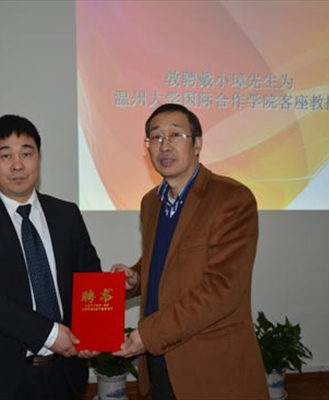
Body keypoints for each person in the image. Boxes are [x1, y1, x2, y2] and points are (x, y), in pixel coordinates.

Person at [111, 103, 269, 400]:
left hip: (210, 365)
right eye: (156, 137)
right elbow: (167, 260)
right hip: (160, 362)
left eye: (176, 135)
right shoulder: (151, 202)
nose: (165, 145)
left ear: (197, 143)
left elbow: (222, 288)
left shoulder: (231, 199)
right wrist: (137, 278)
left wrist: (150, 334)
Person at [0, 114, 102, 400]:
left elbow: (89, 277)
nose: (17, 165)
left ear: (38, 158)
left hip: (64, 375)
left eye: (27, 153)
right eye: (5, 155)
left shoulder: (67, 215)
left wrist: (93, 334)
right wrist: (50, 334)